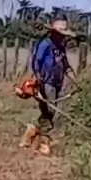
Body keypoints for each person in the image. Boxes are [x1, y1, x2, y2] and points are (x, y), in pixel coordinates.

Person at [20, 19, 76, 155]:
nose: (63, 38)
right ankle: (36, 136)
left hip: (57, 82)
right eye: (61, 35)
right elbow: (36, 61)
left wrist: (76, 80)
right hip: (45, 82)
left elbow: (66, 66)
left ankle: (35, 137)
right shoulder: (45, 44)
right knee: (50, 111)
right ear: (54, 33)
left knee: (52, 112)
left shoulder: (60, 48)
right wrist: (38, 78)